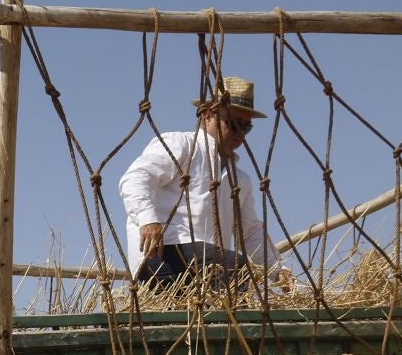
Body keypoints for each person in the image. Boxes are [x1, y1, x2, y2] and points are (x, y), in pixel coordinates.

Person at [117, 75, 291, 290]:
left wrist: (276, 270)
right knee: (235, 267)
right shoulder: (180, 145)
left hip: (207, 266)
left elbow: (250, 230)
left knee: (235, 279)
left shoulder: (240, 179)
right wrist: (148, 219)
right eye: (234, 124)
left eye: (246, 128)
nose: (240, 135)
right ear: (209, 115)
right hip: (161, 254)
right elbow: (135, 178)